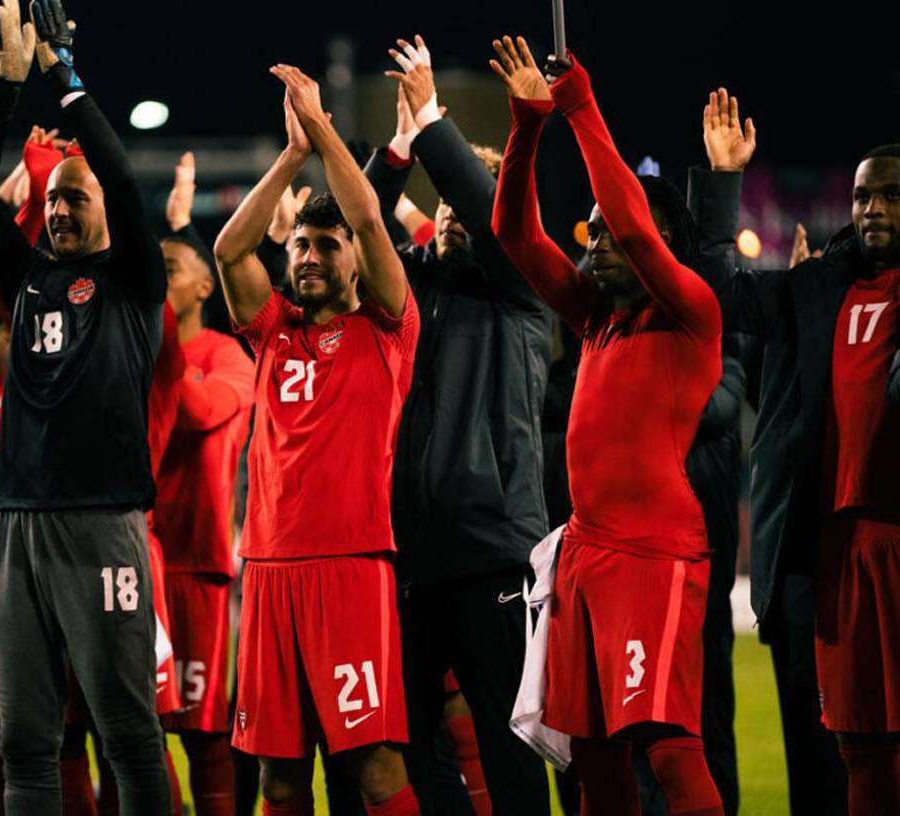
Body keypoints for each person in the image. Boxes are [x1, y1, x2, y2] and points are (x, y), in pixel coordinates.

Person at [490, 38, 723, 815]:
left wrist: (580, 107)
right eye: (588, 232)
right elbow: (516, 237)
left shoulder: (690, 313)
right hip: (586, 554)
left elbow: (632, 223)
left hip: (654, 554)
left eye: (607, 232)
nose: (596, 242)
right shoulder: (596, 321)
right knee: (593, 762)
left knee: (669, 746)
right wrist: (527, 125)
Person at [0, 0, 169, 811]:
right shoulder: (28, 278)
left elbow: (117, 171)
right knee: (25, 742)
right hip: (17, 524)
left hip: (102, 520)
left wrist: (64, 77)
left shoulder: (133, 281)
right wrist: (5, 88)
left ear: (106, 210)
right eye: (52, 201)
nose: (58, 210)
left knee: (128, 734)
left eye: (74, 200)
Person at [213, 62, 421, 816]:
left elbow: (370, 219)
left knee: (374, 769)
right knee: (279, 780)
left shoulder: (388, 330)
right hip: (266, 571)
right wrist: (291, 154)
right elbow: (231, 254)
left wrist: (322, 125)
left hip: (351, 569)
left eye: (325, 246)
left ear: (355, 260)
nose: (307, 256)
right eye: (300, 244)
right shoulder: (273, 334)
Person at [367, 34, 551, 815]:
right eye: (440, 206)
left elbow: (493, 214)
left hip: (492, 553)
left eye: (461, 203)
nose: (450, 216)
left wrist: (436, 119)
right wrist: (400, 150)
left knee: (510, 749)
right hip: (409, 556)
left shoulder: (522, 290)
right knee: (408, 743)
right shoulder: (413, 292)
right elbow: (355, 227)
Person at [714, 142, 900, 815]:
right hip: (826, 564)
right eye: (862, 196)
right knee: (847, 762)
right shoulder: (818, 290)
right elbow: (720, 292)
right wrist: (721, 180)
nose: (872, 208)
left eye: (890, 195)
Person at [155, 151, 257, 816]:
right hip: (132, 558)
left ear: (202, 289)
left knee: (203, 731)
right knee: (133, 728)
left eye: (168, 271)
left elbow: (194, 412)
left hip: (197, 566)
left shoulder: (229, 356)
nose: (155, 281)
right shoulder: (136, 350)